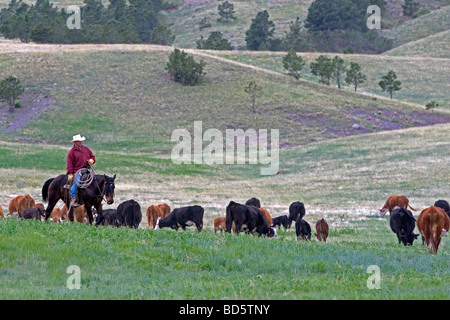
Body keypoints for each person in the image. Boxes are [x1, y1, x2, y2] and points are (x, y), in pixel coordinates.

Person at [67, 134, 95, 207]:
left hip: (87, 169)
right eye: (79, 141)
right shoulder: (72, 152)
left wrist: (92, 160)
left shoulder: (86, 149)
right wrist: (70, 174)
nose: (80, 142)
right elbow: (69, 164)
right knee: (76, 183)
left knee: (96, 181)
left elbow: (92, 156)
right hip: (77, 171)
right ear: (75, 142)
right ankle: (73, 198)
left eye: (81, 141)